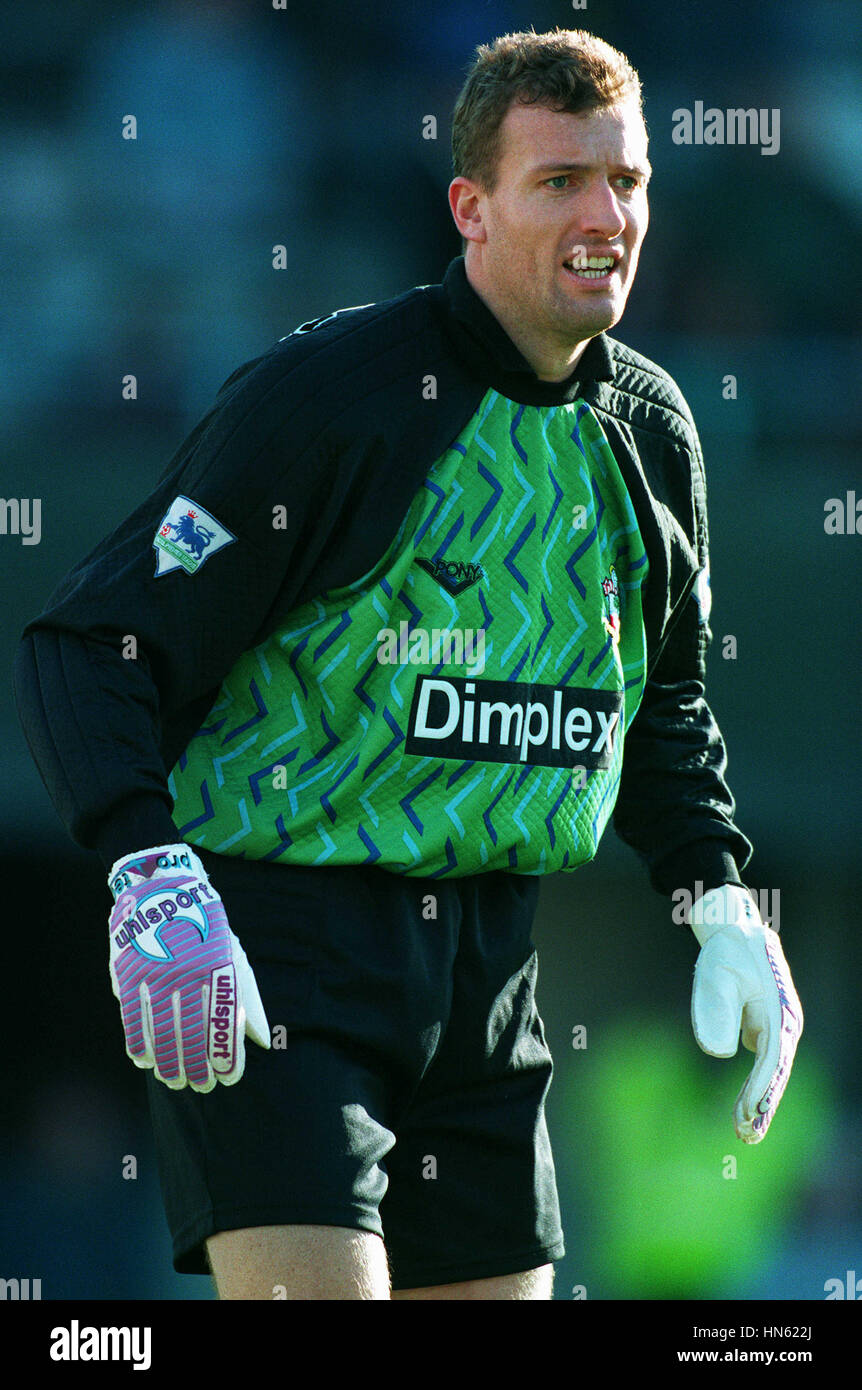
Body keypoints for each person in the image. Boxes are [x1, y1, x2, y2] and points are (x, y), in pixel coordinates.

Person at [13, 28, 802, 1301]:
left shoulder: (652, 429)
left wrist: (720, 902)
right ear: (469, 209)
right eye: (560, 182)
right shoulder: (333, 397)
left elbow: (657, 707)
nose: (607, 215)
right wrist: (148, 871)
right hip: (280, 964)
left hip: (493, 974)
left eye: (630, 180)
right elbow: (89, 644)